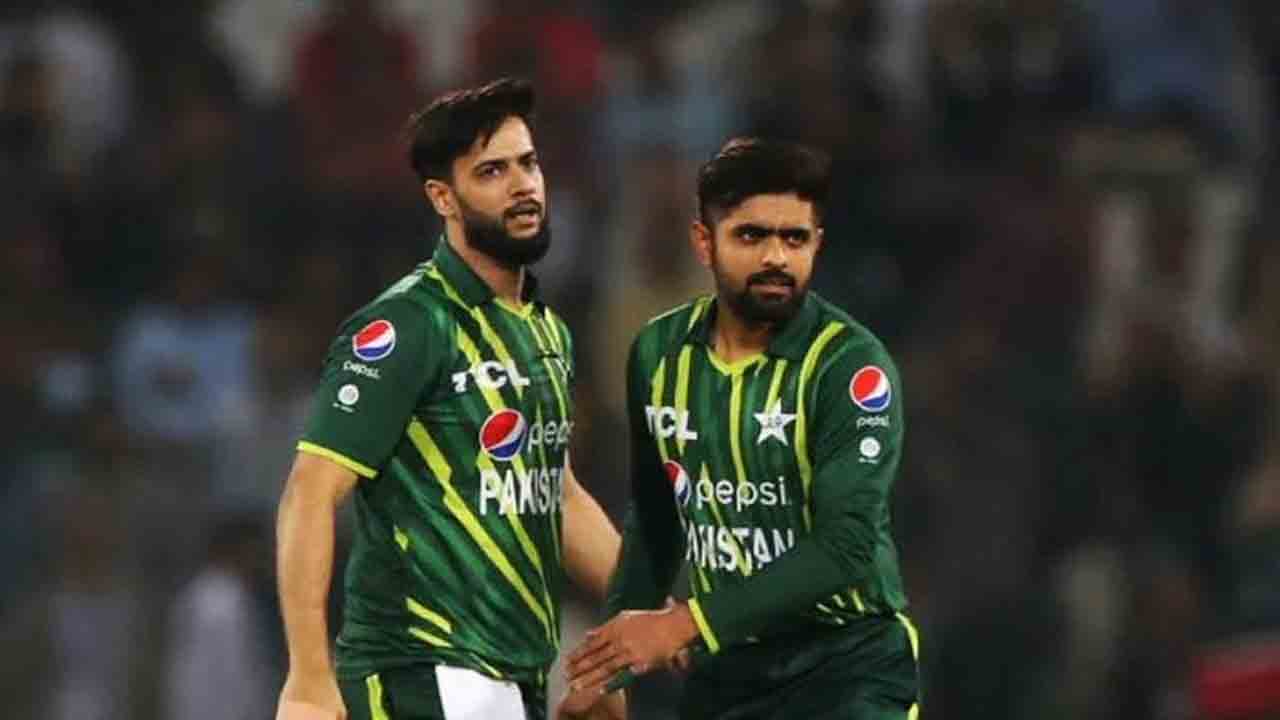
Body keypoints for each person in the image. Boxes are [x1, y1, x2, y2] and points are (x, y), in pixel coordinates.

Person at [275, 77, 623, 720]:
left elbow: (558, 494)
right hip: (422, 671)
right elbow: (310, 491)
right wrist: (307, 677)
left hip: (514, 674)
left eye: (528, 164)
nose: (522, 186)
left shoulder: (546, 330)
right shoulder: (408, 326)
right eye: (492, 171)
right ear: (443, 197)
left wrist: (653, 611)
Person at [563, 138, 921, 719]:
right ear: (704, 242)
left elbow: (846, 546)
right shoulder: (658, 352)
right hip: (725, 670)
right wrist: (607, 671)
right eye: (752, 236)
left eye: (794, 238)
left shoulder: (850, 367)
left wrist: (684, 623)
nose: (776, 257)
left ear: (818, 244)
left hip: (846, 668)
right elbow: (657, 522)